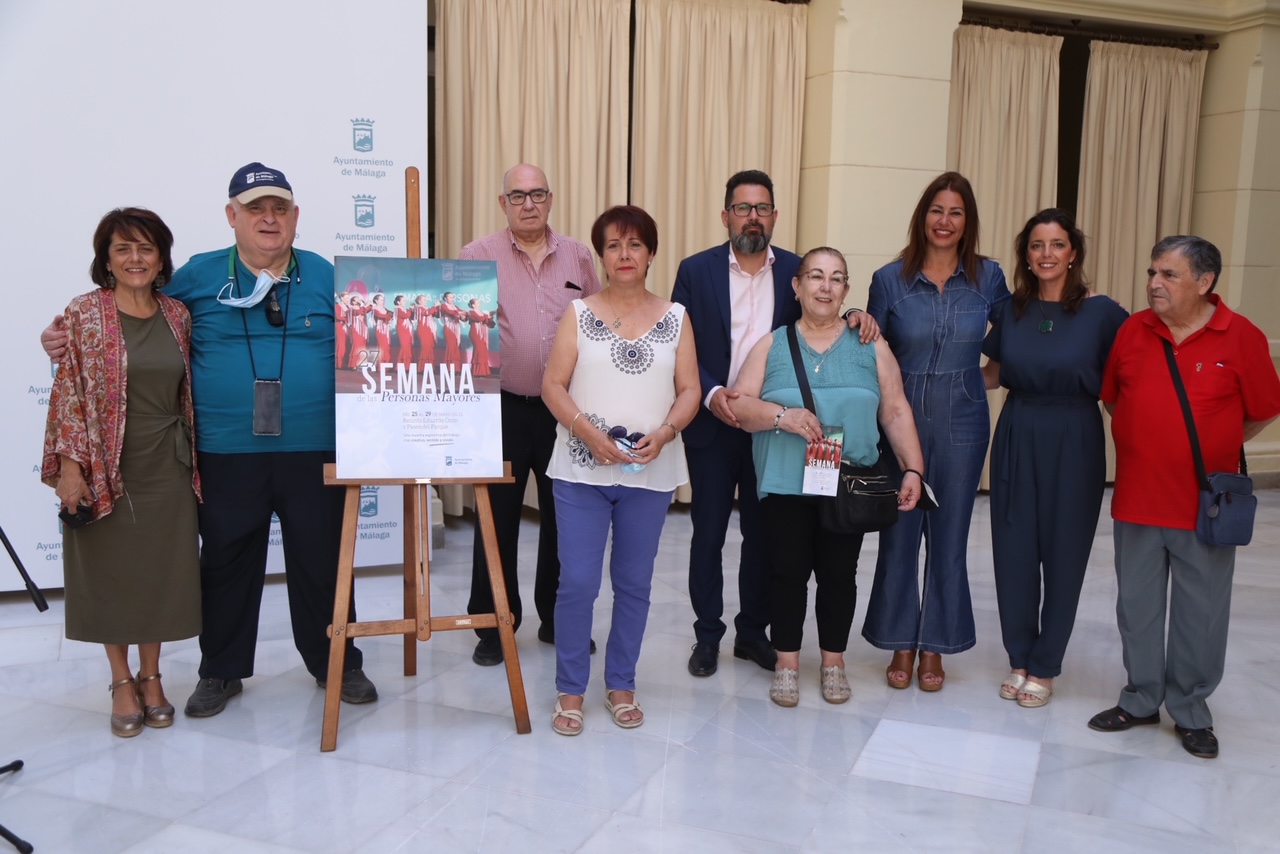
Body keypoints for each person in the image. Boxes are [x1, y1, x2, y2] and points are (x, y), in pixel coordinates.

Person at [41, 162, 376, 717]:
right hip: (224, 452)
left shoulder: (328, 274)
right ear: (232, 216)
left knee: (322, 560)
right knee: (225, 563)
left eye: (279, 209)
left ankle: (337, 660)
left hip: (316, 450)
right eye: (254, 209)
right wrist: (59, 336)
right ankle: (220, 670)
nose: (268, 219)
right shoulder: (196, 276)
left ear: (295, 217)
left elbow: (382, 335)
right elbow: (130, 309)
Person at [671, 170, 878, 678]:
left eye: (762, 208)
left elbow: (822, 307)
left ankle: (751, 632)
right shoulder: (695, 271)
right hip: (715, 421)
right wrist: (714, 392)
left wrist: (853, 313)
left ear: (774, 216)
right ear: (726, 216)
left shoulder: (794, 268)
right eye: (743, 208)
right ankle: (707, 635)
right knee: (709, 533)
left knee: (766, 537)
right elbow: (678, 343)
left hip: (775, 428)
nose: (753, 217)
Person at [1088, 235, 1280, 759]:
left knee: (1201, 611)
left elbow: (1264, 408)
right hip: (1137, 498)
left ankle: (1191, 710)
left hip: (1205, 503)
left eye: (1169, 275)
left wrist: (1216, 442)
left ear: (1205, 281)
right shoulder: (1133, 330)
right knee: (1138, 609)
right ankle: (1142, 698)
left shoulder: (1241, 337)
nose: (1154, 283)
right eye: (1153, 272)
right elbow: (1112, 398)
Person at [730, 247, 924, 707]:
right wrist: (783, 416)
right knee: (787, 573)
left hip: (847, 481)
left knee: (840, 574)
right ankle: (788, 663)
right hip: (783, 480)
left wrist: (913, 466)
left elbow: (894, 409)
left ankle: (833, 662)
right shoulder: (772, 343)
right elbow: (739, 405)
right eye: (815, 276)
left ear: (846, 291)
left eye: (836, 279)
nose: (825, 286)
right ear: (796, 287)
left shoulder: (870, 345)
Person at [42, 207, 201, 737]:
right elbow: (69, 394)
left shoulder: (178, 314)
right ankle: (120, 681)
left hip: (168, 465)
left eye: (146, 249)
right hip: (105, 462)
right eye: (122, 249)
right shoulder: (84, 314)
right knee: (111, 572)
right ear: (106, 260)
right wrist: (70, 469)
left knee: (160, 573)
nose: (135, 259)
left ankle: (153, 676)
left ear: (161, 259)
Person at [542, 205, 699, 734]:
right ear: (601, 256)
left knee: (634, 584)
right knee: (578, 583)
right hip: (581, 470)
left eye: (635, 245)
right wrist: (588, 432)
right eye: (613, 245)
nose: (625, 254)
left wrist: (667, 431)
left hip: (648, 473)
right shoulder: (578, 313)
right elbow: (553, 386)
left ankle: (621, 683)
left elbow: (690, 390)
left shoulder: (676, 316)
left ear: (651, 253)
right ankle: (570, 688)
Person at [861, 171, 1010, 691]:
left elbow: (1013, 346)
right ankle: (901, 640)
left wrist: (976, 381)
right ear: (922, 216)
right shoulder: (888, 279)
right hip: (901, 423)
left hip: (965, 424)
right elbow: (870, 353)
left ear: (967, 222)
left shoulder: (989, 278)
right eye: (936, 211)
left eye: (956, 213)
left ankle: (936, 646)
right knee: (901, 534)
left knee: (949, 538)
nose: (944, 222)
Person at [981, 210, 1128, 708]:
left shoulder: (1104, 313)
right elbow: (992, 373)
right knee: (1013, 545)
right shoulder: (1010, 309)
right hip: (1019, 427)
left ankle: (1046, 665)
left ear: (1074, 254)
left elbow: (1121, 388)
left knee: (1065, 552)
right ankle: (1019, 656)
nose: (1046, 254)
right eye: (1037, 245)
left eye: (1057, 244)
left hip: (1076, 433)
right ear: (1026, 254)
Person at [459, 163, 601, 666]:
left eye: (537, 194)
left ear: (550, 198)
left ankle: (558, 620)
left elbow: (597, 323)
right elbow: (463, 333)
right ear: (503, 203)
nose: (528, 204)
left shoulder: (580, 256)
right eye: (517, 195)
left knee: (565, 519)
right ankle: (493, 624)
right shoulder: (477, 256)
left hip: (565, 411)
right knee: (495, 519)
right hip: (501, 408)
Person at [466, 298, 496, 376]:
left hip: (483, 333)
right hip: (476, 333)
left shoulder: (482, 312)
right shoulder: (471, 312)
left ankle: (483, 371)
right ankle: (477, 371)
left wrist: (490, 317)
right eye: (478, 302)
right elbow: (479, 319)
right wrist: (487, 316)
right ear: (473, 305)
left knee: (483, 350)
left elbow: (486, 321)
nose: (479, 304)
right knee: (479, 350)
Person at [438, 292, 466, 369]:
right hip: (449, 328)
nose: (452, 299)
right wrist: (461, 313)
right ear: (445, 298)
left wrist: (463, 316)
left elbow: (462, 316)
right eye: (450, 297)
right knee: (451, 346)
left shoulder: (455, 307)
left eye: (453, 297)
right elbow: (450, 312)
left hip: (456, 328)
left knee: (456, 346)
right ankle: (449, 367)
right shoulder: (443, 306)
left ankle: (456, 367)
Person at [413, 293, 438, 369]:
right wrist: (435, 306)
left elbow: (433, 313)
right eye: (424, 300)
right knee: (425, 348)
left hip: (429, 330)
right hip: (424, 330)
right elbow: (427, 313)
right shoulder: (418, 308)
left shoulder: (426, 308)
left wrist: (437, 308)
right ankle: (422, 367)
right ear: (419, 301)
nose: (426, 301)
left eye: (426, 300)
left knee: (430, 348)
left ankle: (429, 366)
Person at [368, 292, 393, 364]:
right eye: (381, 300)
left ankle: (387, 364)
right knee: (382, 346)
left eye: (383, 300)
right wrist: (388, 316)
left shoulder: (385, 308)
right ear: (376, 301)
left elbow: (391, 314)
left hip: (386, 329)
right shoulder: (374, 309)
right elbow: (380, 316)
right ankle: (381, 364)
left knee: (387, 346)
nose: (382, 301)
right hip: (380, 329)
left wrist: (389, 316)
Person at [393, 294, 414, 367]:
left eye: (405, 300)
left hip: (408, 329)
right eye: (403, 301)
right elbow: (406, 316)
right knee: (404, 346)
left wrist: (412, 310)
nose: (405, 302)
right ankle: (400, 365)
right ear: (398, 302)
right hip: (402, 329)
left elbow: (411, 317)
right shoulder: (398, 309)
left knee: (408, 347)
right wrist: (410, 310)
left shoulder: (406, 309)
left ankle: (406, 365)